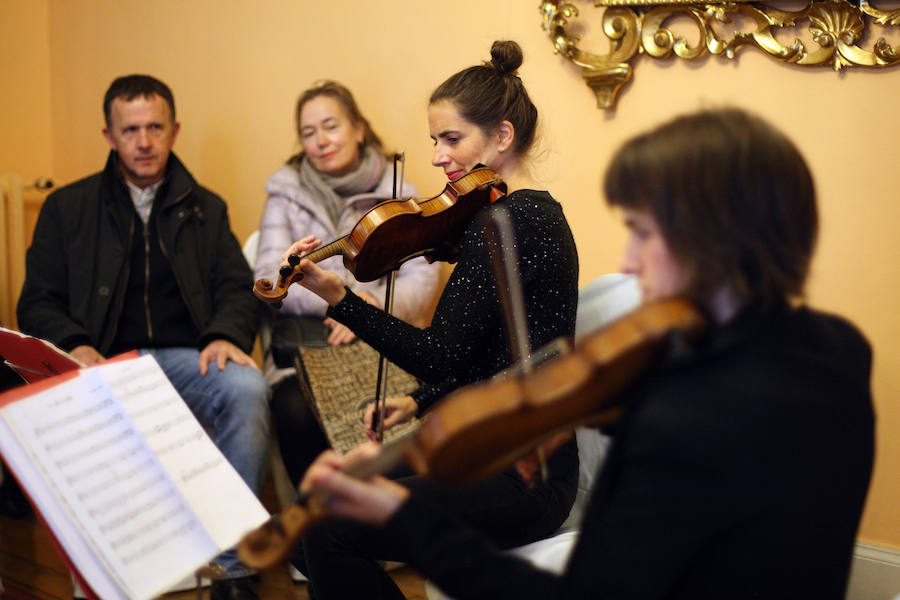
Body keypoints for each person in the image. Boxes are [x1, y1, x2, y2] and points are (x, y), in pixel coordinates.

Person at [297, 108, 875, 599]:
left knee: (333, 531)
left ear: (719, 239)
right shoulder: (840, 351)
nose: (626, 260)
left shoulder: (681, 419)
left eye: (644, 232)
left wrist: (404, 519)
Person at [281, 40, 581, 599]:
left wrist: (340, 297)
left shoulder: (517, 222)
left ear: (502, 137)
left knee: (330, 531)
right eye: (434, 141)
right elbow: (492, 353)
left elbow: (439, 351)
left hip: (524, 476)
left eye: (451, 139)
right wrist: (417, 402)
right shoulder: (497, 220)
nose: (439, 157)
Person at [16, 75, 269, 600]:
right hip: (104, 365)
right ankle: (106, 569)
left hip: (186, 362)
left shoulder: (208, 207)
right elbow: (36, 301)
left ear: (174, 130)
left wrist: (224, 334)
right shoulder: (67, 209)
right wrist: (76, 345)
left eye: (155, 127)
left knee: (248, 388)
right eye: (130, 129)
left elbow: (237, 290)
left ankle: (235, 568)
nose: (144, 141)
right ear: (109, 135)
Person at [253, 80, 441, 486]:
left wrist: (369, 305)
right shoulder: (283, 193)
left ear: (358, 128)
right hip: (307, 349)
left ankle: (382, 531)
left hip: (380, 342)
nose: (321, 141)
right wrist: (334, 302)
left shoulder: (397, 190)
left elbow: (424, 275)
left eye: (330, 126)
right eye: (308, 132)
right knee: (293, 410)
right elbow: (266, 280)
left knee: (409, 416)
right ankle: (318, 534)